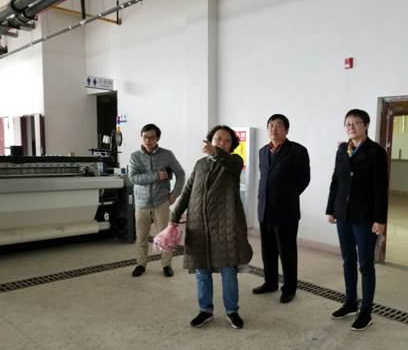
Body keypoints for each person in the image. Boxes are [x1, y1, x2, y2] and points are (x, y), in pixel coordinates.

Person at [170, 125, 253, 329]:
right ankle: (205, 310)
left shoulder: (234, 162)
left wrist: (217, 152)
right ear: (210, 140)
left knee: (228, 270)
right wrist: (174, 216)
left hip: (225, 225)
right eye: (217, 138)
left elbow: (232, 164)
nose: (221, 142)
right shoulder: (200, 164)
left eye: (226, 140)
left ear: (232, 145)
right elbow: (188, 191)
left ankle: (232, 311)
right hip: (199, 224)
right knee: (202, 270)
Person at [326, 109, 388, 331]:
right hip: (343, 214)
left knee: (366, 264)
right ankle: (351, 302)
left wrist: (380, 219)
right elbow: (336, 180)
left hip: (365, 217)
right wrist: (331, 208)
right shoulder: (343, 149)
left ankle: (366, 311)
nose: (351, 126)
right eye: (348, 123)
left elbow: (381, 188)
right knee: (348, 261)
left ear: (366, 125)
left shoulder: (376, 152)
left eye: (356, 123)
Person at [253, 114, 310, 303]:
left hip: (286, 211)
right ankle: (270, 282)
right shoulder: (263, 151)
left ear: (286, 130)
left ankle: (289, 288)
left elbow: (304, 179)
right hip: (265, 208)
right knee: (267, 250)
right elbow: (264, 177)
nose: (273, 128)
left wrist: (286, 196)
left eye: (278, 125)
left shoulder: (297, 151)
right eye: (270, 125)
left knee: (287, 252)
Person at [129, 123, 185, 278]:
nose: (148, 140)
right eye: (145, 137)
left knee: (165, 237)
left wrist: (174, 194)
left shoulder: (167, 155)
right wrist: (156, 176)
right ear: (141, 138)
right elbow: (133, 178)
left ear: (158, 138)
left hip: (161, 202)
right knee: (141, 237)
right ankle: (141, 264)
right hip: (141, 204)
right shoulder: (135, 156)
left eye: (152, 137)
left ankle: (167, 265)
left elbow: (180, 174)